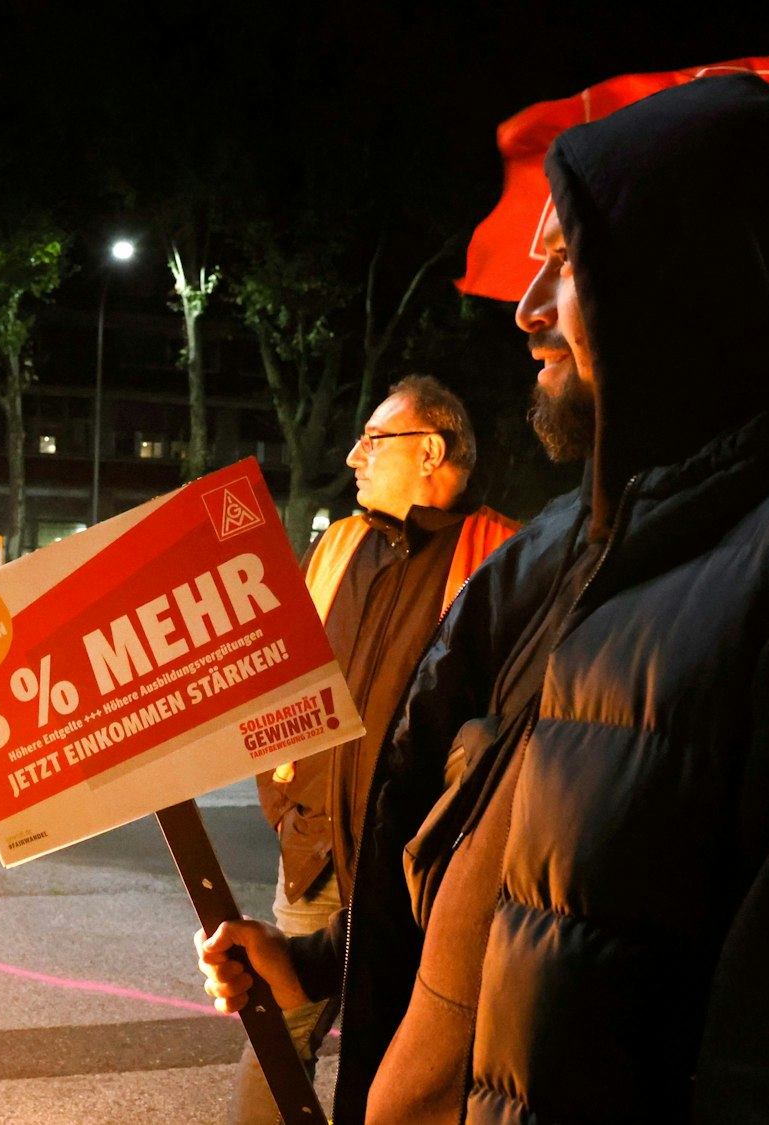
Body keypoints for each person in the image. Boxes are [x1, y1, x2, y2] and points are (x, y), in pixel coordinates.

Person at [196, 75, 769, 1123]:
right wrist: (322, 962)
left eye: (566, 263)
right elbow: (525, 864)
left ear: (685, 278)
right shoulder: (577, 547)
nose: (525, 310)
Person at [227, 375, 518, 1123]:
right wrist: (286, 804)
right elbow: (279, 676)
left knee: (401, 1064)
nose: (354, 456)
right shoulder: (339, 545)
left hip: (421, 872)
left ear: (430, 451)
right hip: (316, 854)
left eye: (373, 439)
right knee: (274, 1043)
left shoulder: (504, 556)